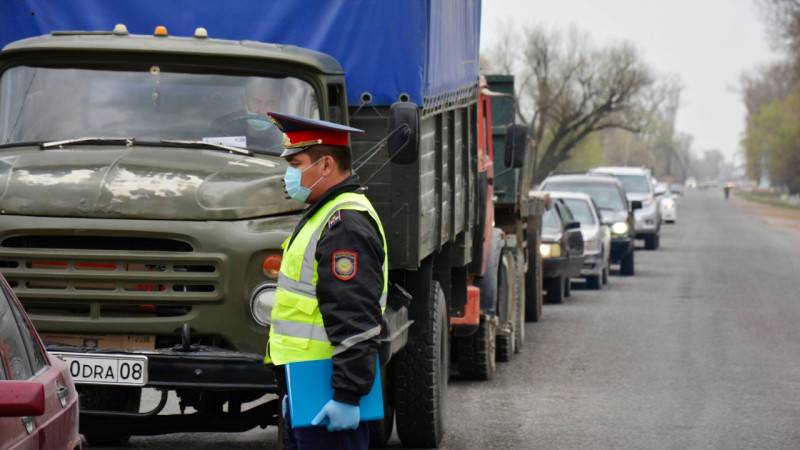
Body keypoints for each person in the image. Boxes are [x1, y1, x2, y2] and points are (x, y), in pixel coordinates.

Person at [264, 112, 387, 450]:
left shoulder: (344, 224)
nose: (288, 174)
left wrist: (347, 394)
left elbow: (355, 314)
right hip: (309, 389)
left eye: (295, 164)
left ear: (326, 165)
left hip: (329, 395)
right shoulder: (325, 214)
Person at [208, 78, 284, 152]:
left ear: (279, 106)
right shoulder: (222, 128)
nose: (262, 111)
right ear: (244, 102)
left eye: (270, 104)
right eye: (256, 102)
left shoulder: (284, 135)